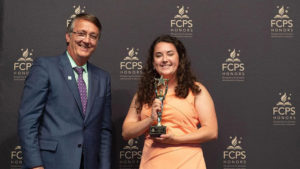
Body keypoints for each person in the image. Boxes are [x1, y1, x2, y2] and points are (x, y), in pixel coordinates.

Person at [18, 13, 112, 169]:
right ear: (68, 36)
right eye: (81, 33)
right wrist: (35, 165)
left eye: (93, 36)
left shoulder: (103, 78)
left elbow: (104, 130)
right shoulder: (45, 67)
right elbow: (28, 121)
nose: (86, 40)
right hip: (50, 163)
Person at [122, 35, 218, 169]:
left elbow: (211, 131)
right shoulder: (143, 94)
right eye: (159, 55)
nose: (164, 59)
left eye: (170, 54)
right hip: (152, 164)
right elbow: (126, 132)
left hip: (188, 163)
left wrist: (176, 139)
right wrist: (150, 120)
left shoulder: (196, 90)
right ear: (153, 62)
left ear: (180, 59)